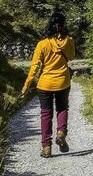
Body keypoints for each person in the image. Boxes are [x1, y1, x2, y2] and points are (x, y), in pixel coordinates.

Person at [22, 11, 76, 158]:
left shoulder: (42, 44)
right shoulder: (69, 41)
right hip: (63, 82)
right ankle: (61, 132)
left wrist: (26, 85)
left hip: (44, 84)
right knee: (62, 109)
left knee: (46, 114)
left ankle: (46, 149)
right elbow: (71, 57)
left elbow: (34, 67)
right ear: (64, 25)